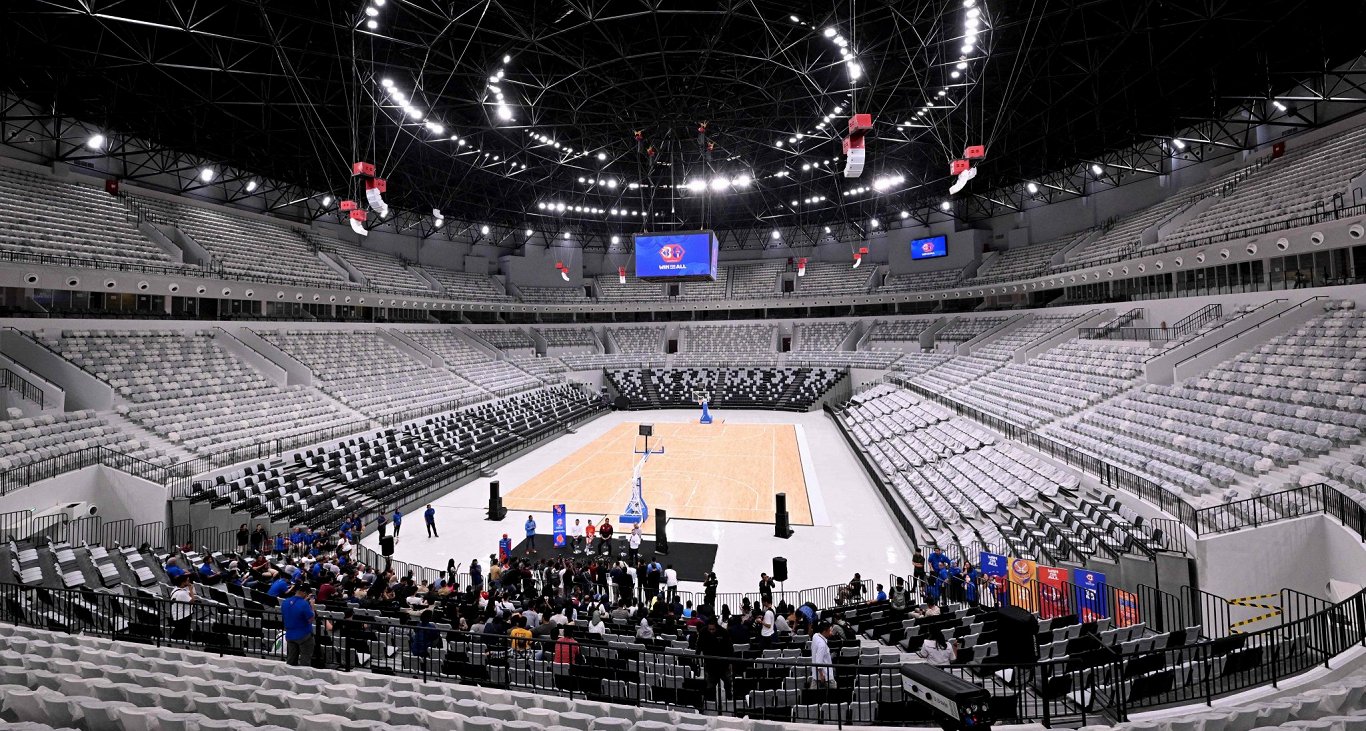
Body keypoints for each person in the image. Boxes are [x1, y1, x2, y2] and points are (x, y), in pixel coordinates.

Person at [696, 617, 735, 701]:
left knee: (728, 683)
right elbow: (699, 645)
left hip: (723, 664)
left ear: (716, 627)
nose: (711, 631)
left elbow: (729, 647)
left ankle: (729, 699)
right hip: (710, 664)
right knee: (710, 685)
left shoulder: (724, 632)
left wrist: (730, 662)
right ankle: (711, 703)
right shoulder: (703, 632)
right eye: (709, 629)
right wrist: (697, 655)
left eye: (713, 629)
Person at [281, 585, 317, 667]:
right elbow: (311, 618)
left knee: (291, 661)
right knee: (305, 661)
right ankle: (303, 679)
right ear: (304, 593)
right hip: (304, 636)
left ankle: (290, 678)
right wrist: (312, 605)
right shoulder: (304, 604)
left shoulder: (285, 602)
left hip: (289, 635)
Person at [169, 574, 196, 641]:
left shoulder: (175, 589)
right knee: (181, 634)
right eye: (187, 581)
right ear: (183, 582)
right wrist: (191, 589)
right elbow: (192, 601)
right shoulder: (182, 593)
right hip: (184, 617)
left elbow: (187, 595)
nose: (189, 582)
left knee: (179, 632)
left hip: (177, 615)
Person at [810, 620, 835, 688]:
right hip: (826, 676)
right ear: (824, 631)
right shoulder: (822, 645)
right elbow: (819, 661)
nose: (830, 632)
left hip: (816, 675)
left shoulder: (815, 636)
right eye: (829, 630)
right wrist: (821, 675)